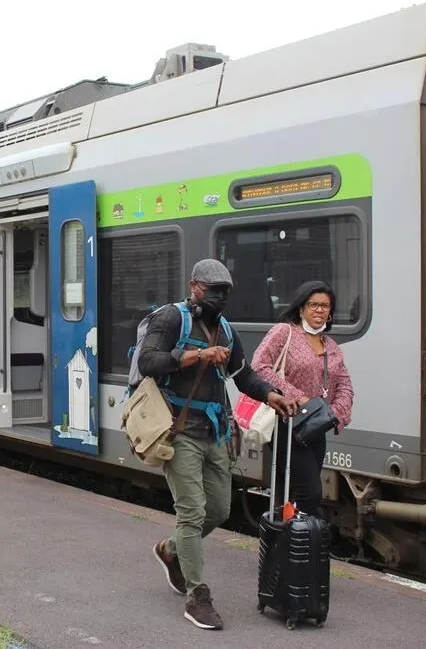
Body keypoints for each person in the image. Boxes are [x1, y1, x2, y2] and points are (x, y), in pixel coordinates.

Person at [137, 259, 294, 631]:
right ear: (195, 286)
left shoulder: (225, 329)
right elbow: (148, 361)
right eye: (214, 290)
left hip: (216, 433)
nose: (220, 298)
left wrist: (272, 395)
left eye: (226, 292)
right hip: (179, 432)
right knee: (191, 514)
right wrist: (194, 356)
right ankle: (197, 597)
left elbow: (244, 376)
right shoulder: (171, 320)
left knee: (219, 511)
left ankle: (170, 550)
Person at [251, 280, 355, 518]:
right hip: (287, 423)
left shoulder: (331, 346)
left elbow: (345, 384)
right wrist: (300, 399)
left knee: (291, 492)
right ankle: (299, 537)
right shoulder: (284, 332)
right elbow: (259, 367)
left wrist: (334, 413)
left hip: (317, 427)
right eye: (313, 305)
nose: (320, 310)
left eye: (325, 306)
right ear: (301, 308)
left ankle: (284, 544)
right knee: (310, 493)